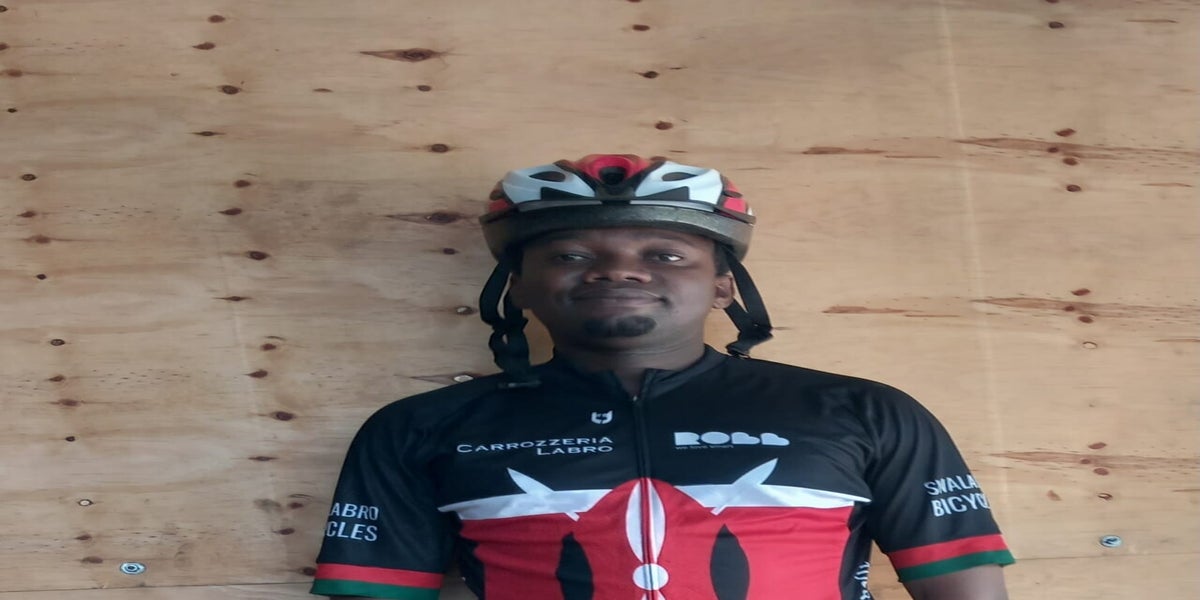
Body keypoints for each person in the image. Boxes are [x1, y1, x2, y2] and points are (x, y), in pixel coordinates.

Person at [310, 154, 1015, 600]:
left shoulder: (863, 410)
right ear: (517, 288)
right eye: (571, 254)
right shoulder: (419, 428)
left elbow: (962, 585)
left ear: (723, 287)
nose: (617, 271)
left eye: (665, 254)